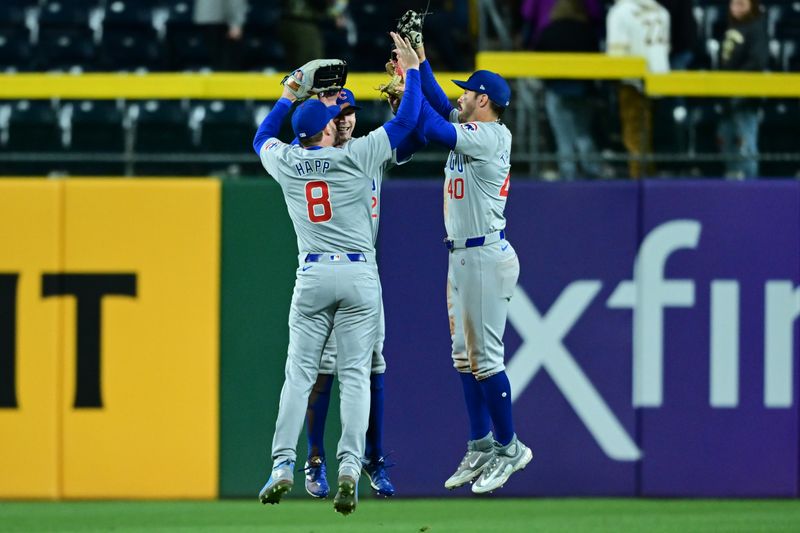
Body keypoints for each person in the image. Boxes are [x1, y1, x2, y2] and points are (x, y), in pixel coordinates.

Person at [254, 33, 421, 515]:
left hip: (310, 276)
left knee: (297, 377)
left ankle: (283, 465)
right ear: (326, 128)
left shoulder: (288, 160)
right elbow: (408, 121)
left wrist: (288, 96)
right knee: (355, 377)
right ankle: (349, 468)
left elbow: (262, 137)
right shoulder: (356, 155)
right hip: (357, 274)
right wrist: (409, 74)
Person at [397, 10, 533, 495]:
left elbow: (433, 127)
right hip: (461, 255)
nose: (461, 95)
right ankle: (480, 444)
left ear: (485, 101)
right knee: (464, 359)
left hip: (484, 256)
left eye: (468, 91)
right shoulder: (474, 126)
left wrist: (412, 78)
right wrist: (420, 62)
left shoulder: (493, 137)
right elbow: (438, 104)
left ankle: (511, 447)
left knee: (487, 359)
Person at [302, 87, 426, 500]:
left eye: (349, 111)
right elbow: (405, 133)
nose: (345, 119)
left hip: (363, 270)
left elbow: (412, 140)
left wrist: (399, 106)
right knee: (324, 367)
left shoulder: (367, 147)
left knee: (372, 364)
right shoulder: (321, 157)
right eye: (336, 114)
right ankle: (316, 458)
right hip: (327, 266)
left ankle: (371, 457)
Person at [534, 0, 602, 180]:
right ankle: (591, 169)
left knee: (563, 135)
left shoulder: (549, 31)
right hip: (584, 92)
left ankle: (568, 172)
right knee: (582, 133)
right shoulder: (587, 31)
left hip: (557, 91)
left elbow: (536, 61)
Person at [606, 0, 671, 179]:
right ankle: (649, 176)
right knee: (649, 130)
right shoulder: (661, 10)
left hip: (632, 80)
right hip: (660, 77)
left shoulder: (620, 11)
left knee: (634, 131)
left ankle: (639, 180)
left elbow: (617, 53)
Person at [716, 0, 768, 179]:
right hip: (726, 95)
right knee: (726, 138)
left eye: (741, 4)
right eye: (733, 4)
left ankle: (750, 184)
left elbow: (758, 61)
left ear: (751, 6)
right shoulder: (731, 27)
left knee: (745, 141)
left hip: (745, 97)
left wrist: (736, 83)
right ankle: (732, 180)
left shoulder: (755, 28)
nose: (736, 8)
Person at [193, 0, 248, 70]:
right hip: (213, 21)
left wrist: (236, 23)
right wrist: (236, 22)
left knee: (223, 62)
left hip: (221, 21)